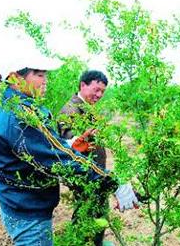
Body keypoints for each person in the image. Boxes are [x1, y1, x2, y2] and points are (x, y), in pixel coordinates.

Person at [0, 58, 139, 246]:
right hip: (28, 209)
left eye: (46, 75)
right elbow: (57, 158)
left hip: (21, 203)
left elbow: (45, 149)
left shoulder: (11, 105)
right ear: (15, 77)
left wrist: (69, 145)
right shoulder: (21, 116)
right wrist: (112, 183)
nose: (45, 81)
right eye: (39, 75)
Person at [58, 70, 110, 245]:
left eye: (102, 91)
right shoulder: (71, 110)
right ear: (82, 85)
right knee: (87, 217)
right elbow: (69, 145)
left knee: (95, 217)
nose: (99, 95)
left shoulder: (87, 108)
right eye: (96, 90)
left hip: (95, 175)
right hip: (86, 177)